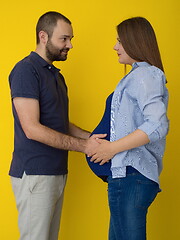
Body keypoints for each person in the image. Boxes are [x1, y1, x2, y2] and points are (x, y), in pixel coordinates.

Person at [9, 11, 105, 240]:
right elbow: (32, 128)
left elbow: (59, 122)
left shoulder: (56, 76)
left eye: (70, 39)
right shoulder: (26, 70)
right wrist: (84, 146)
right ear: (43, 36)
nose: (69, 45)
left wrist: (92, 138)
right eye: (64, 39)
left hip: (56, 172)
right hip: (35, 173)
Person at [88, 17, 169, 240]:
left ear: (135, 41)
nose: (115, 47)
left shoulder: (146, 75)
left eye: (120, 41)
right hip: (125, 178)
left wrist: (111, 149)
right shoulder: (136, 75)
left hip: (130, 178)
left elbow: (156, 125)